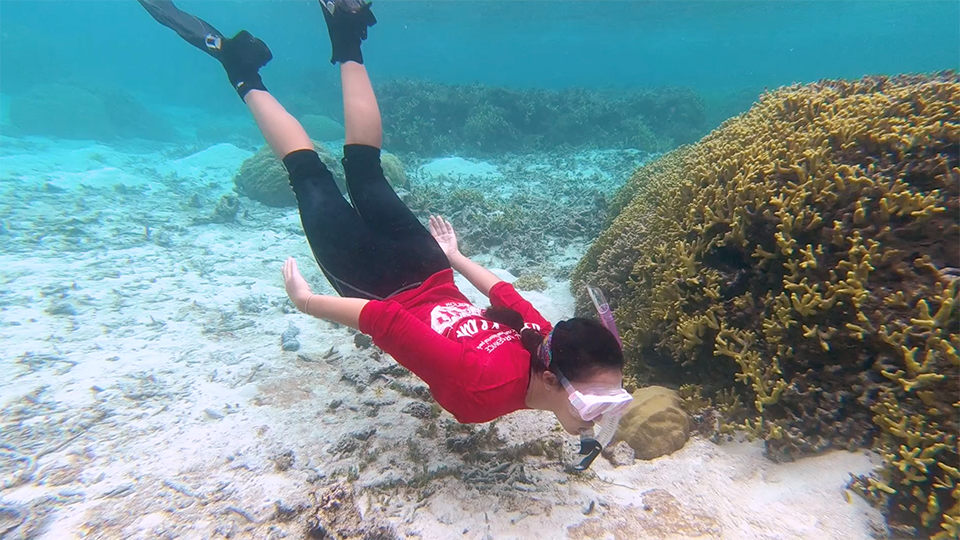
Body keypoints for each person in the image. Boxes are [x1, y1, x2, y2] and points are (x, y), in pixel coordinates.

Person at [137, 0, 632, 470]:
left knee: (366, 169)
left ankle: (346, 32)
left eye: (610, 402)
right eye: (598, 405)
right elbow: (384, 320)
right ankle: (239, 68)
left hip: (426, 265)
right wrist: (307, 303)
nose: (604, 415)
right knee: (308, 173)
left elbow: (503, 293)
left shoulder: (548, 338)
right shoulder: (481, 389)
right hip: (373, 281)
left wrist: (454, 257)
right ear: (550, 377)